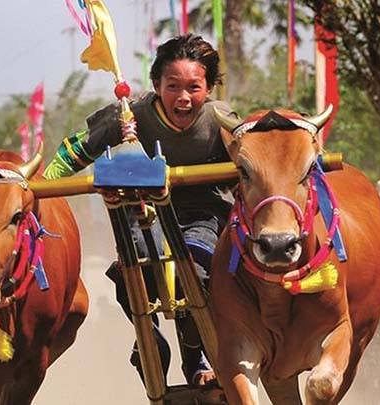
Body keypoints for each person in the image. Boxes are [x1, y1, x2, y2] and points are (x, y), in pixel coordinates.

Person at [43, 34, 234, 388]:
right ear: (157, 85)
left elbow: (255, 168)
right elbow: (75, 151)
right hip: (144, 212)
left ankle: (197, 357)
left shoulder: (221, 122)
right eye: (172, 86)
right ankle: (150, 341)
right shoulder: (131, 114)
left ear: (209, 88)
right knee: (132, 272)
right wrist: (42, 189)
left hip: (203, 214)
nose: (183, 97)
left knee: (199, 274)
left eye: (194, 87)